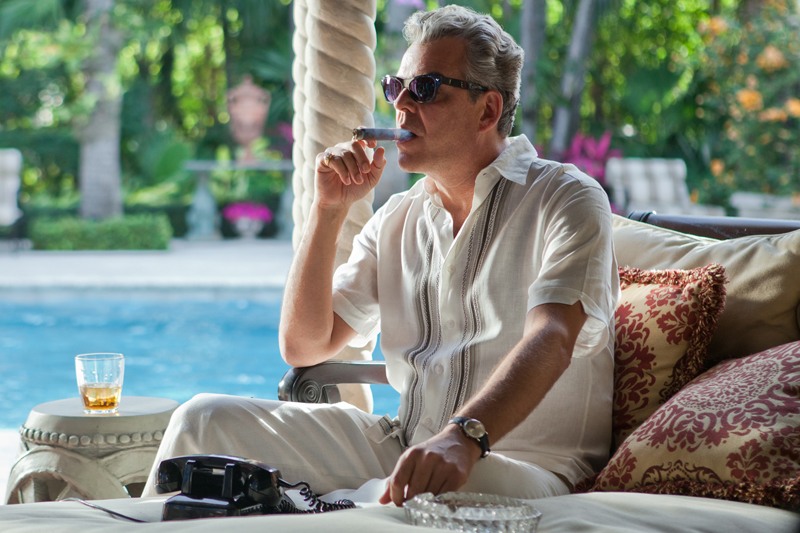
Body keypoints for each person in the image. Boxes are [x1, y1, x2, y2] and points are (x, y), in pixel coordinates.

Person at [142, 4, 618, 506]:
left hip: (523, 466)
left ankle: (336, 506)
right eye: (396, 87)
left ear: (487, 110)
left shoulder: (565, 198)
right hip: (405, 444)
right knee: (203, 419)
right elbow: (304, 346)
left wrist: (463, 437)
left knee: (418, 492)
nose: (401, 105)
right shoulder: (398, 218)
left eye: (425, 88)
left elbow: (553, 336)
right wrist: (328, 211)